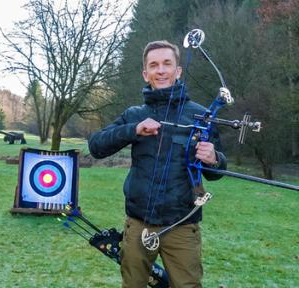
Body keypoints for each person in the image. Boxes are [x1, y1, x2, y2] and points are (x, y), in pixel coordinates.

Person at [88, 40, 227, 287]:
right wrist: (134, 130)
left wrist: (213, 158)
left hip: (183, 226)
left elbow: (216, 172)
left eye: (167, 64)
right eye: (154, 65)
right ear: (145, 73)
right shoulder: (134, 114)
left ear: (178, 70)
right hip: (138, 223)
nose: (160, 70)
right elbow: (96, 146)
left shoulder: (201, 116)